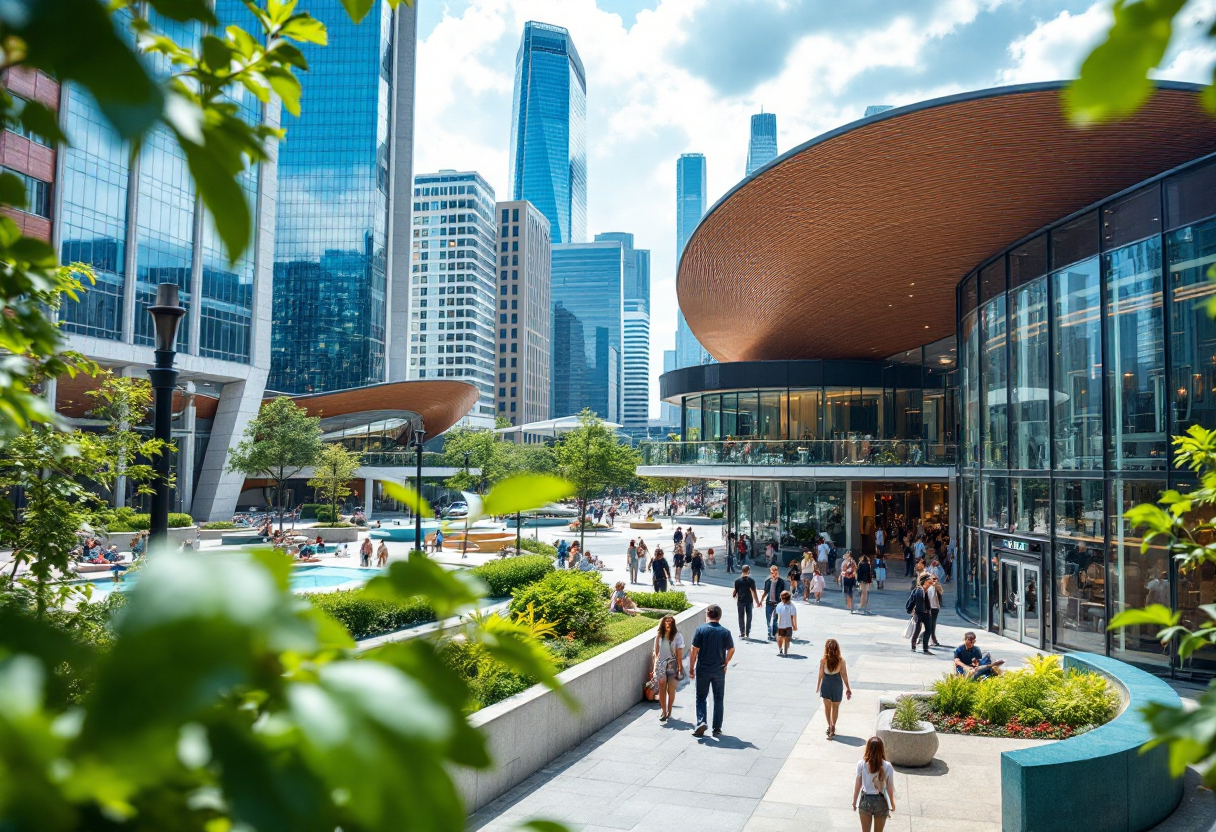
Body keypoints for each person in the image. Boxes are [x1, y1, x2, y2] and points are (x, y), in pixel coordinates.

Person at [689, 604, 735, 737]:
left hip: (703, 669)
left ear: (708, 614)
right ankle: (717, 728)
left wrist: (691, 668)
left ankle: (701, 721)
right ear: (719, 616)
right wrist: (725, 662)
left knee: (701, 697)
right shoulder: (725, 632)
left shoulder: (701, 629)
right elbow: (731, 649)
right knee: (718, 698)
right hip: (719, 670)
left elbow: (694, 650)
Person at [853, 737, 897, 830]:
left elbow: (858, 785)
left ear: (868, 748)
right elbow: (889, 787)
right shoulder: (888, 766)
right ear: (882, 749)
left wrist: (854, 801)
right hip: (881, 802)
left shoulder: (861, 764)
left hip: (865, 801)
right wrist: (892, 803)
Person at [816, 638, 851, 740]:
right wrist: (848, 688)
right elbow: (844, 675)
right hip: (837, 685)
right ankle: (833, 726)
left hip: (826, 684)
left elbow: (820, 674)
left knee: (827, 707)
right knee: (835, 707)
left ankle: (829, 726)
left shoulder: (823, 660)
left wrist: (818, 686)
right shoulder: (841, 661)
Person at [653, 614, 685, 722]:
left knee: (671, 689)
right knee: (662, 685)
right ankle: (663, 711)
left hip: (673, 663)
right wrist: (654, 667)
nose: (668, 623)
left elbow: (679, 653)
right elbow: (655, 652)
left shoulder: (677, 636)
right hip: (661, 663)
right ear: (663, 623)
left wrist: (680, 667)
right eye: (666, 621)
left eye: (670, 621)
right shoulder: (659, 635)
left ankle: (669, 710)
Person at [732, 565, 760, 638]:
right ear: (749, 571)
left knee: (741, 617)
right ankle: (747, 633)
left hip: (740, 601)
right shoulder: (751, 581)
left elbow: (735, 592)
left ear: (742, 571)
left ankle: (742, 632)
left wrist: (735, 594)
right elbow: (754, 593)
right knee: (749, 617)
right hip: (749, 601)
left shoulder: (737, 581)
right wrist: (757, 602)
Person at [762, 564, 788, 641]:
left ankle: (774, 634)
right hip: (769, 602)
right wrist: (760, 601)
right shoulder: (767, 581)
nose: (774, 575)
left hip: (777, 603)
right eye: (772, 573)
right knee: (768, 619)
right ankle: (769, 633)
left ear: (778, 572)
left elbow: (783, 593)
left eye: (776, 573)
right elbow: (765, 592)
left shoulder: (781, 582)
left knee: (775, 620)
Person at [910, 574, 933, 654]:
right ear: (925, 581)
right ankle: (913, 644)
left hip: (926, 613)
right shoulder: (918, 591)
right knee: (917, 629)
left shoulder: (928, 590)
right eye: (929, 580)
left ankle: (925, 647)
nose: (930, 581)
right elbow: (913, 602)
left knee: (929, 629)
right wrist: (912, 612)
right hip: (918, 613)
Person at [774, 590, 798, 657]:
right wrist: (795, 626)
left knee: (782, 638)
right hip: (787, 625)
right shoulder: (792, 606)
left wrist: (778, 624)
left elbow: (778, 616)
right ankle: (784, 651)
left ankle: (782, 650)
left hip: (782, 625)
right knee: (786, 639)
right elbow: (794, 617)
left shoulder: (779, 605)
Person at [926, 573, 942, 647]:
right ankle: (931, 639)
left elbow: (941, 591)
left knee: (933, 624)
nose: (934, 581)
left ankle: (932, 639)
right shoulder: (927, 586)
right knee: (929, 624)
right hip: (928, 608)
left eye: (936, 579)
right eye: (933, 579)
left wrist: (936, 585)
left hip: (935, 608)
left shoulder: (937, 586)